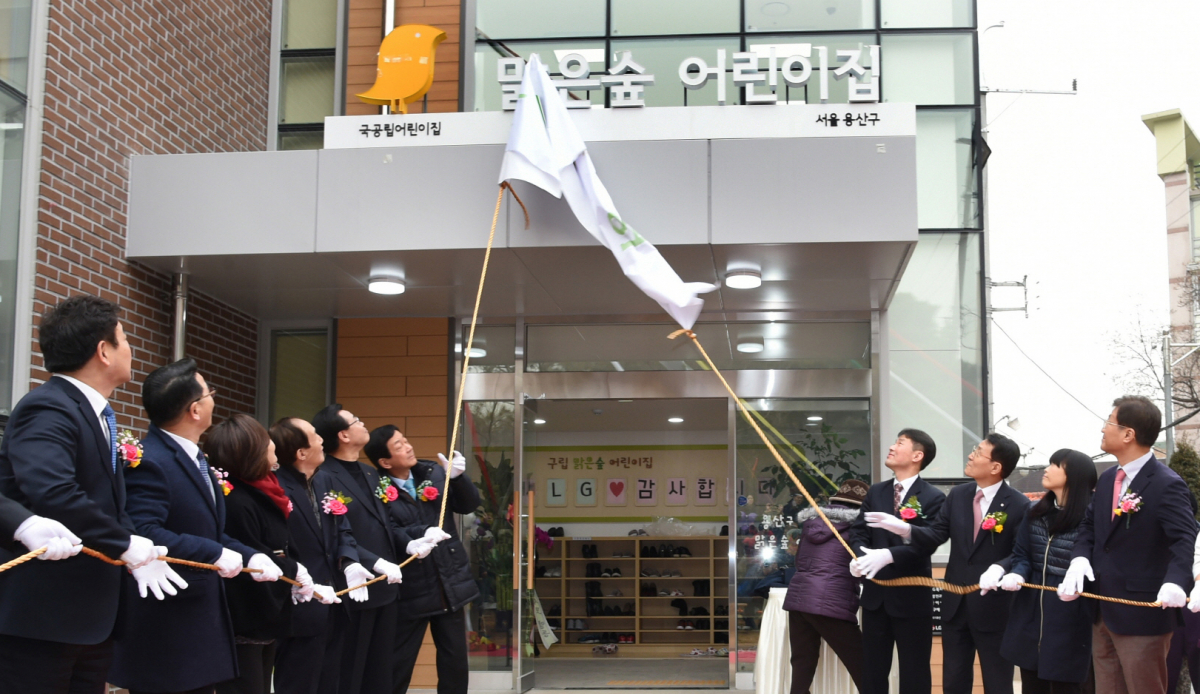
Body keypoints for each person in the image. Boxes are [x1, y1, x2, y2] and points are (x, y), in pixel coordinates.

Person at [0, 295, 166, 694]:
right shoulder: (48, 407)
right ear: (104, 351)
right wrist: (122, 543)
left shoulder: (95, 413)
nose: (131, 349)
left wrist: (138, 545)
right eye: (125, 339)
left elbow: (104, 499)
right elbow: (53, 490)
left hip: (88, 618)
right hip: (42, 618)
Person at [110, 359, 285, 694]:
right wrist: (214, 552)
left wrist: (250, 555)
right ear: (194, 409)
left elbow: (210, 529)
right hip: (169, 625)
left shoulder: (196, 458)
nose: (214, 400)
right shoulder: (150, 460)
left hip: (199, 621)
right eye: (210, 394)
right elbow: (145, 531)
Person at [867, 432, 1032, 694]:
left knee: (997, 680)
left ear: (995, 467)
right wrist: (905, 530)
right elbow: (935, 535)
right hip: (954, 603)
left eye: (978, 452)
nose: (970, 455)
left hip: (993, 606)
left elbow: (1021, 551)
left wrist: (1000, 566)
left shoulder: (1020, 505)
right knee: (953, 679)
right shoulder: (959, 495)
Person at [1061, 396, 1198, 694]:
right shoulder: (1108, 477)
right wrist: (1079, 558)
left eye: (1108, 422)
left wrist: (1177, 581)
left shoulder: (1167, 483)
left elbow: (1184, 537)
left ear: (1128, 434)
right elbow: (1088, 526)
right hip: (1102, 609)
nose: (1102, 429)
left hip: (1143, 612)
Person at [364, 425, 481, 694]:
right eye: (399, 446)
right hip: (410, 588)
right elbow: (387, 531)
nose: (408, 447)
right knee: (398, 662)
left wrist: (458, 478)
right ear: (384, 461)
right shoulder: (376, 489)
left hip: (448, 582)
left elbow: (468, 505)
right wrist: (415, 538)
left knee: (454, 663)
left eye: (406, 440)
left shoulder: (433, 473)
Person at [209, 414, 312, 694]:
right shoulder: (236, 499)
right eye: (266, 441)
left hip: (266, 618)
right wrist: (293, 571)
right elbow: (255, 553)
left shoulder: (263, 489)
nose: (273, 445)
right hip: (245, 618)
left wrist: (293, 569)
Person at [313, 404, 406, 694]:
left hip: (385, 586)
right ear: (342, 434)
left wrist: (413, 540)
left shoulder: (371, 473)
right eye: (356, 421)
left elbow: (387, 523)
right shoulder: (323, 475)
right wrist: (370, 561)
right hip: (352, 583)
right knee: (350, 667)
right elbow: (336, 532)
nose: (363, 423)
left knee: (381, 668)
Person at [848, 428, 946, 694]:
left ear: (917, 455)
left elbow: (927, 542)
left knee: (914, 671)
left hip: (911, 597)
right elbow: (858, 531)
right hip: (875, 597)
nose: (891, 447)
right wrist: (860, 557)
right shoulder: (876, 492)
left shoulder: (934, 497)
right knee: (872, 670)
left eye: (899, 443)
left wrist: (888, 556)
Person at [998, 449, 1098, 694]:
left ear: (1074, 475)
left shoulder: (1091, 516)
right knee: (1032, 682)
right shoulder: (1034, 512)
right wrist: (1017, 573)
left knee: (1069, 684)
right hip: (1031, 609)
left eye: (1056, 465)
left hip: (1070, 611)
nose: (1047, 468)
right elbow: (1022, 554)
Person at [271, 417, 357, 694]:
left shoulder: (324, 481)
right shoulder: (278, 488)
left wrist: (350, 560)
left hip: (335, 600)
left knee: (330, 681)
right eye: (314, 436)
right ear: (301, 453)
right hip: (301, 603)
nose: (322, 440)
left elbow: (343, 528)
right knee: (299, 682)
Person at [782, 478, 869, 694]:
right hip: (832, 601)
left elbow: (799, 562)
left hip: (799, 600)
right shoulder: (858, 527)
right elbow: (865, 563)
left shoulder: (810, 525)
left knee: (802, 664)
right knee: (864, 665)